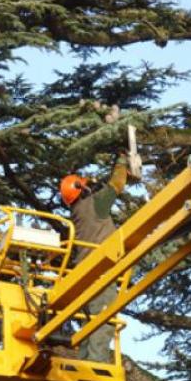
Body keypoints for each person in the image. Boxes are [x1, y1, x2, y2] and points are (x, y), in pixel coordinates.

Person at [59, 152, 131, 362]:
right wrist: (122, 160)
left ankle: (84, 364)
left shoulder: (78, 213)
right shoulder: (96, 204)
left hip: (84, 273)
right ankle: (96, 365)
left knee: (89, 322)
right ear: (82, 190)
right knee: (104, 317)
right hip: (100, 270)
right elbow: (117, 183)